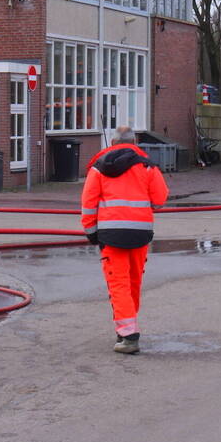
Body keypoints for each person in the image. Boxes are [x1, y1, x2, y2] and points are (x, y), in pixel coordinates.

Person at [81, 126, 169, 355]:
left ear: (112, 142)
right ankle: (127, 326)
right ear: (135, 141)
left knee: (118, 283)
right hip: (140, 233)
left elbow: (89, 202)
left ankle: (128, 335)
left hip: (111, 234)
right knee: (133, 282)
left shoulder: (98, 168)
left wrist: (91, 232)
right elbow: (159, 200)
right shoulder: (147, 165)